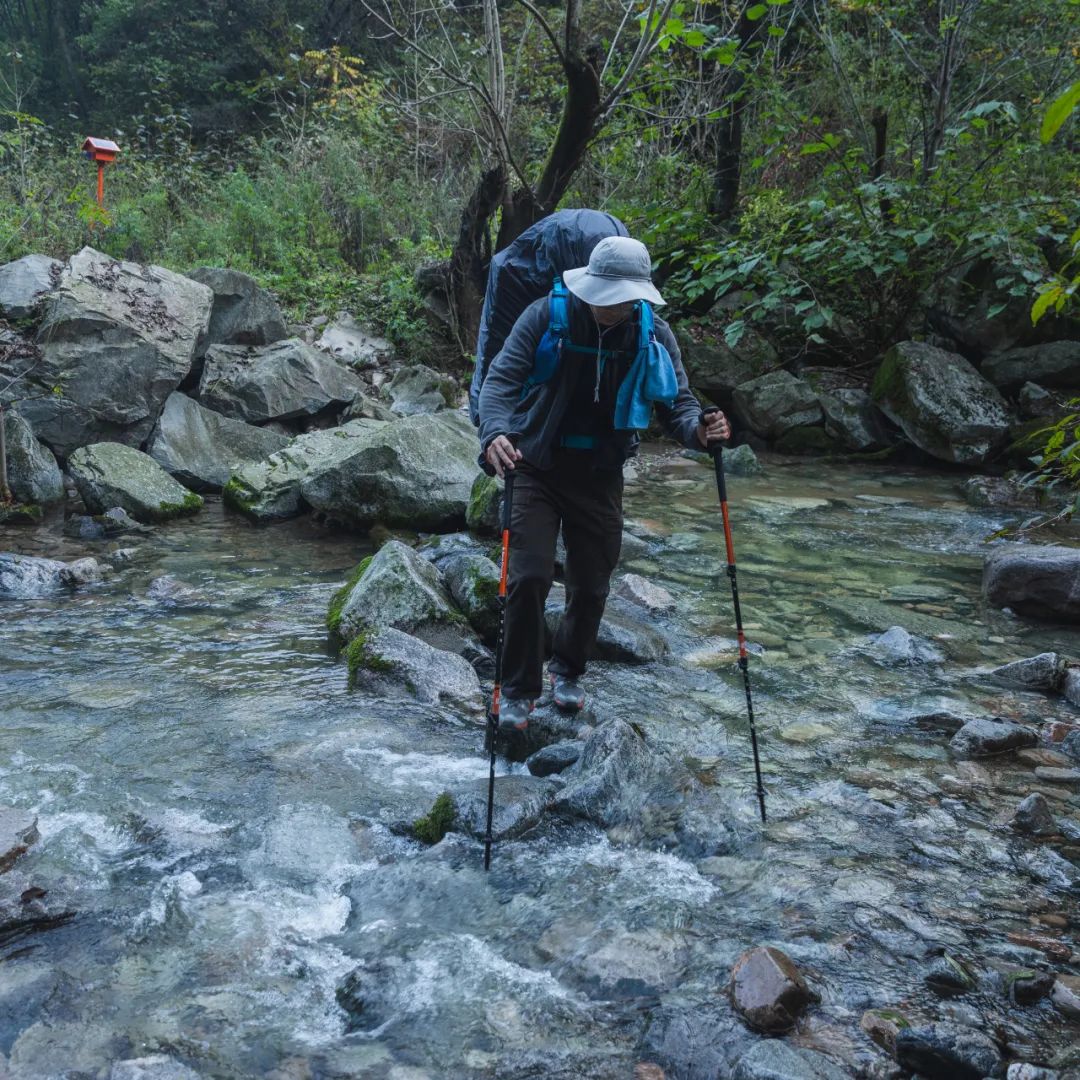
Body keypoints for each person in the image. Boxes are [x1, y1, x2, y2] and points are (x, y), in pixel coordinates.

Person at [477, 235, 730, 732]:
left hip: (600, 474)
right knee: (527, 578)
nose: (613, 305)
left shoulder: (651, 332)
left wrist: (702, 431)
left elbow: (678, 403)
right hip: (535, 465)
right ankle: (517, 689)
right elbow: (499, 384)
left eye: (624, 296)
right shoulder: (544, 316)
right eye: (606, 293)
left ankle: (568, 671)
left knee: (591, 586)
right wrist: (495, 434)